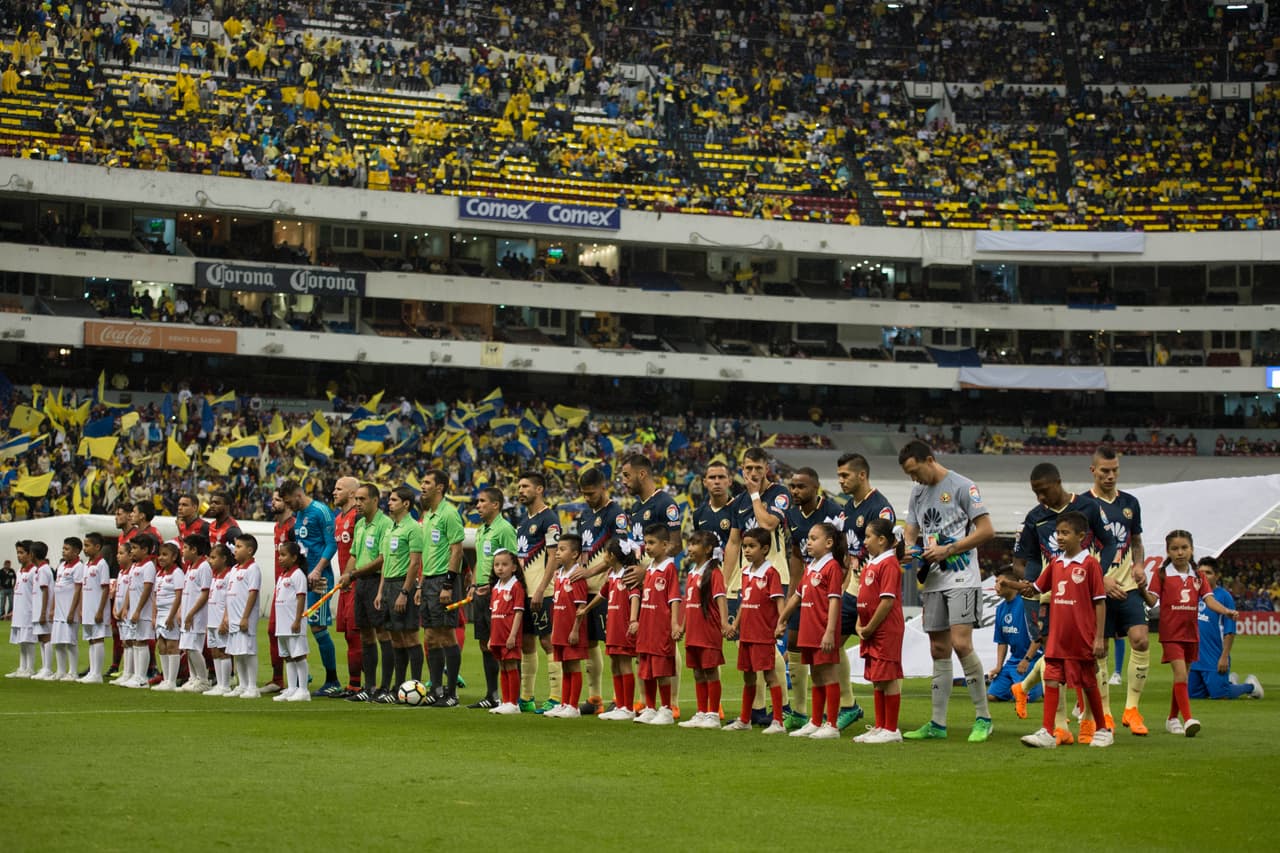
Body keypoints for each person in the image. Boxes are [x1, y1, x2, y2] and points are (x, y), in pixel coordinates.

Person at [1009, 461, 1115, 744]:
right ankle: (1048, 730)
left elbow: (1100, 602)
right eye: (1058, 533)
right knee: (1052, 678)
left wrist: (1099, 638)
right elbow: (1035, 589)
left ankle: (1103, 729)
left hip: (1082, 635)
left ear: (1082, 536)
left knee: (1089, 681)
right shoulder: (1055, 563)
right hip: (1057, 633)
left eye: (1065, 533)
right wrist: (1013, 585)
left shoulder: (1091, 565)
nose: (1059, 538)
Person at [898, 440, 996, 743]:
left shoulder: (964, 487)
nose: (915, 480)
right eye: (910, 475)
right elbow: (911, 530)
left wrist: (948, 549)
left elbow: (986, 530)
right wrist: (908, 549)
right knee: (938, 649)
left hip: (962, 577)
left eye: (916, 472)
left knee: (960, 643)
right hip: (933, 580)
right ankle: (937, 724)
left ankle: (983, 718)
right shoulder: (917, 492)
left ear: (930, 459)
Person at [1137, 530, 1239, 737]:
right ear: (1168, 552)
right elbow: (1152, 601)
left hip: (1191, 634)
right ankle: (1188, 718)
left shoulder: (1199, 576)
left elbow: (1209, 601)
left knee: (1180, 678)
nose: (1180, 552)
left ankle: (1172, 718)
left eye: (1184, 548)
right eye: (1175, 549)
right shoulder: (1162, 574)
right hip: (1171, 633)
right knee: (1181, 675)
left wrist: (1226, 611)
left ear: (1192, 549)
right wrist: (1141, 589)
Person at [1082, 447, 1151, 736]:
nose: (1110, 476)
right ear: (1093, 470)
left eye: (1114, 470)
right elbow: (1078, 548)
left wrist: (1139, 565)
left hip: (1129, 587)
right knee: (1100, 650)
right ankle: (1105, 714)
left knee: (1141, 641)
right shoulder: (1082, 505)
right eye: (1104, 471)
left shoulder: (1130, 503)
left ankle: (1132, 709)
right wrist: (1101, 579)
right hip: (1097, 590)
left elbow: (1136, 541)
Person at [721, 448, 790, 727]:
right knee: (748, 650)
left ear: (766, 469)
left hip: (774, 576)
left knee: (770, 648)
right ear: (742, 469)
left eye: (758, 468)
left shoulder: (779, 494)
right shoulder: (738, 502)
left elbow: (768, 523)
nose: (753, 473)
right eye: (748, 468)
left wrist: (754, 495)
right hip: (746, 579)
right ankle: (755, 712)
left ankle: (782, 709)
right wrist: (724, 583)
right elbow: (733, 543)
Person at [787, 466, 858, 732]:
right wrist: (794, 590)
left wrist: (841, 584)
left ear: (815, 488)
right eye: (792, 486)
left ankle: (839, 713)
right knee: (807, 657)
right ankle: (809, 717)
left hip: (826, 592)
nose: (795, 491)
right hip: (807, 587)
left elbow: (845, 555)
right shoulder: (792, 515)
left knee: (829, 655)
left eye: (801, 486)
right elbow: (796, 553)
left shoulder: (834, 513)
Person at [622, 453, 684, 716]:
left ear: (642, 474)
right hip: (641, 580)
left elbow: (677, 544)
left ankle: (673, 703)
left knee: (665, 642)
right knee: (644, 641)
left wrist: (646, 569)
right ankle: (646, 702)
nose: (623, 481)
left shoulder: (665, 504)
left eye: (626, 475)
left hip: (660, 579)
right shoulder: (636, 508)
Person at [835, 452, 892, 727]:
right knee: (830, 644)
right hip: (853, 588)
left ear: (862, 475)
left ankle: (885, 723)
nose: (841, 480)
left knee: (882, 656)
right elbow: (848, 552)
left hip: (874, 590)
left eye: (845, 475)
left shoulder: (880, 508)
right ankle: (849, 705)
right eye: (839, 476)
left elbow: (892, 553)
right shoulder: (848, 507)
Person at [566, 466, 629, 714]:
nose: (587, 498)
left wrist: (589, 572)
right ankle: (594, 698)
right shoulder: (585, 516)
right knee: (589, 642)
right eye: (584, 494)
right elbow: (585, 551)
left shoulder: (617, 514)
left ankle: (618, 698)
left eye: (591, 493)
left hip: (609, 589)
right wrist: (580, 570)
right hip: (588, 589)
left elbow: (619, 553)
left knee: (612, 645)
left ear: (604, 488)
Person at [776, 522, 845, 740]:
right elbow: (797, 596)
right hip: (808, 628)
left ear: (828, 543)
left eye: (814, 538)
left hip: (823, 629)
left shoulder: (832, 567)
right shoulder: (811, 567)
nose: (809, 542)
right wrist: (782, 619)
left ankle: (832, 724)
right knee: (815, 674)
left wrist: (830, 631)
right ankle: (815, 721)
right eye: (808, 538)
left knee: (828, 673)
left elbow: (834, 600)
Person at [722, 527, 786, 733]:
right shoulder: (746, 572)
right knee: (748, 677)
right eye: (745, 547)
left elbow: (778, 600)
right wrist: (735, 625)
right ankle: (745, 719)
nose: (747, 551)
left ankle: (778, 721)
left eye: (752, 546)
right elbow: (744, 602)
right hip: (747, 633)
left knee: (769, 676)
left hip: (762, 634)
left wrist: (781, 623)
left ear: (765, 548)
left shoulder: (770, 573)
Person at [280, 479, 340, 697]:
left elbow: (331, 543)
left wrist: (317, 570)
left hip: (320, 579)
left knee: (318, 629)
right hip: (305, 578)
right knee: (298, 629)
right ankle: (300, 679)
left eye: (289, 501)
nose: (289, 506)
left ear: (298, 495)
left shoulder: (320, 511)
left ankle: (333, 680)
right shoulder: (299, 517)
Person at [853, 517, 907, 744]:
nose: (864, 541)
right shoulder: (872, 563)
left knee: (888, 677)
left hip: (885, 629)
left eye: (868, 537)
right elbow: (864, 598)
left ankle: (891, 729)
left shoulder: (890, 564)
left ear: (883, 540)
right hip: (870, 629)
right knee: (877, 678)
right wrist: (859, 623)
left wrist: (870, 626)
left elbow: (886, 602)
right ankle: (879, 726)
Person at [417, 468, 466, 707]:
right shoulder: (428, 515)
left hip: (443, 581)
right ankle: (436, 689)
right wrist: (420, 585)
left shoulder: (449, 514)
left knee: (446, 634)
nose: (422, 486)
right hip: (428, 580)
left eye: (427, 482)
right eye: (422, 482)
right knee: (429, 636)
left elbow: (457, 550)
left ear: (440, 487)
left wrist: (448, 583)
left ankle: (451, 693)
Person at [342, 484, 395, 703]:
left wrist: (352, 574)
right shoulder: (361, 524)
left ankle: (385, 686)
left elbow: (382, 559)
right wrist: (347, 575)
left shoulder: (385, 524)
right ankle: (369, 686)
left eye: (362, 499)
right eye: (356, 499)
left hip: (376, 581)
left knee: (383, 633)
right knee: (365, 634)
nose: (357, 504)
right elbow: (354, 553)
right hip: (360, 583)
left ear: (375, 500)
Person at [516, 471, 563, 713]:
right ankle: (526, 697)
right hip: (525, 592)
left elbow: (554, 558)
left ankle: (556, 697)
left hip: (542, 592)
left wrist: (542, 588)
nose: (521, 490)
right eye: (519, 486)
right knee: (526, 642)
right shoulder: (523, 522)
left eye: (525, 486)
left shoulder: (549, 519)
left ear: (539, 489)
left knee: (547, 641)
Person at [468, 486, 517, 709]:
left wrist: (495, 586)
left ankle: (509, 695)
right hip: (480, 591)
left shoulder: (504, 529)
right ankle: (491, 694)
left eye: (482, 501)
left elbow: (511, 563)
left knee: (502, 644)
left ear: (495, 505)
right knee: (484, 643)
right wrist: (474, 583)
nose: (478, 505)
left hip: (498, 595)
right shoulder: (482, 530)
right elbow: (481, 560)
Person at [375, 485, 424, 703]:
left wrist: (405, 591)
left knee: (410, 635)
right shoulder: (390, 529)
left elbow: (414, 563)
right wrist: (380, 592)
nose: (389, 503)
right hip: (388, 587)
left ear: (406, 503)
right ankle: (398, 686)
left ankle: (416, 686)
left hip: (403, 585)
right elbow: (385, 563)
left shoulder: (413, 528)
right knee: (395, 637)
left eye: (394, 499)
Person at [1190, 557, 1263, 700]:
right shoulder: (1192, 594)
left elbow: (1230, 631)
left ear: (1217, 575)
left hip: (1214, 658)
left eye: (1208, 573)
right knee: (1193, 695)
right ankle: (1228, 682)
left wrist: (1224, 657)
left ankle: (1251, 686)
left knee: (1220, 695)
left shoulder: (1224, 597)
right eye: (1201, 572)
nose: (1203, 576)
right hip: (1195, 659)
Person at [677, 530, 728, 730]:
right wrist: (682, 626)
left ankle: (713, 714)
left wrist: (724, 623)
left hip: (708, 629)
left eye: (695, 544)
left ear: (707, 550)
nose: (689, 548)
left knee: (710, 671)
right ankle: (700, 712)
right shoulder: (692, 572)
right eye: (689, 544)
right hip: (694, 631)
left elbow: (720, 598)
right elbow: (689, 603)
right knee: (698, 672)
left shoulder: (714, 573)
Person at [634, 523, 681, 725]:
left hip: (661, 627)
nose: (648, 547)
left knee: (662, 670)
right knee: (647, 669)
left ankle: (667, 709)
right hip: (647, 626)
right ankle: (650, 708)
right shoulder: (650, 569)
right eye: (646, 543)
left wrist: (674, 624)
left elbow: (674, 599)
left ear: (665, 545)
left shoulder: (669, 568)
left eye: (652, 543)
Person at [593, 540, 641, 721]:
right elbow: (602, 594)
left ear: (611, 556)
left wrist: (633, 619)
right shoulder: (612, 574)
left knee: (624, 662)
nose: (603, 557)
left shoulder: (628, 574)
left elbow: (635, 596)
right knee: (614, 662)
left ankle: (628, 707)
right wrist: (586, 609)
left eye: (605, 553)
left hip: (623, 623)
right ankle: (619, 704)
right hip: (612, 624)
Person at [545, 534, 589, 718]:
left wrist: (575, 629)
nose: (557, 553)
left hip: (572, 630)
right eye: (558, 549)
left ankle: (573, 706)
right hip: (560, 629)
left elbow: (581, 606)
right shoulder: (559, 575)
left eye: (562, 550)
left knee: (573, 666)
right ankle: (564, 703)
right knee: (564, 666)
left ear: (575, 554)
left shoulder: (577, 576)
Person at [987, 569, 1044, 707]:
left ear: (1011, 584)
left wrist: (1026, 660)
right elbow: (1001, 641)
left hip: (1032, 659)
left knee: (1025, 697)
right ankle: (1017, 687)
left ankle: (1041, 683)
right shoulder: (1000, 608)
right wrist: (998, 666)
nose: (996, 586)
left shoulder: (1026, 604)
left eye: (999, 583)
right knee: (992, 696)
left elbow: (1039, 636)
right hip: (1013, 661)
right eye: (995, 582)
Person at [330, 475, 363, 697]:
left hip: (357, 582)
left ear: (352, 493)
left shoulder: (357, 517)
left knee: (356, 635)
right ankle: (352, 684)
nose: (334, 492)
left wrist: (351, 575)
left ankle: (358, 685)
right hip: (345, 583)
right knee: (347, 635)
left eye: (339, 488)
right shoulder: (338, 518)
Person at [223, 534, 263, 699]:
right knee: (237, 651)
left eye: (239, 546)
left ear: (250, 550)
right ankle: (242, 684)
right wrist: (226, 615)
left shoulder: (253, 569)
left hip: (244, 617)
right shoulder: (234, 569)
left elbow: (252, 593)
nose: (235, 550)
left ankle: (253, 687)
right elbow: (228, 594)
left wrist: (245, 617)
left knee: (248, 650)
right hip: (233, 617)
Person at [486, 549, 525, 715]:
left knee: (510, 665)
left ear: (514, 567)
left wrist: (513, 635)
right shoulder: (495, 588)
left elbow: (518, 612)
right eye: (497, 565)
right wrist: (490, 637)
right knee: (502, 665)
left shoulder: (516, 587)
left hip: (509, 635)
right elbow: (493, 614)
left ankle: (513, 703)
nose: (500, 568)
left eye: (504, 564)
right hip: (497, 634)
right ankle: (505, 700)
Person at [264, 489, 294, 694]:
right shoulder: (277, 526)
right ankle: (279, 679)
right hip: (279, 584)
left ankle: (292, 679)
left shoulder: (294, 526)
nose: (273, 503)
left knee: (289, 634)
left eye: (278, 500)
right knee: (273, 631)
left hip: (291, 585)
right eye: (272, 499)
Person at [273, 541, 311, 702]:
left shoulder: (298, 575)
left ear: (294, 557)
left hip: (293, 623)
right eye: (279, 555)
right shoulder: (283, 575)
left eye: (283, 555)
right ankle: (292, 688)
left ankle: (303, 690)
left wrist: (298, 619)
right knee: (287, 656)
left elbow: (301, 597)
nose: (280, 558)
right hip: (282, 624)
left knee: (298, 655)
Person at [177, 534, 213, 693]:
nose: (182, 551)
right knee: (187, 646)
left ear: (194, 549)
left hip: (196, 615)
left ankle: (203, 680)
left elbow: (205, 593)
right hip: (187, 613)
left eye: (185, 548)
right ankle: (194, 678)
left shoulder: (204, 566)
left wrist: (191, 613)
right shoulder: (191, 566)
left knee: (193, 647)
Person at [121, 535, 157, 689]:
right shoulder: (135, 566)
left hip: (143, 611)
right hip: (133, 610)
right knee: (135, 641)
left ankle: (142, 678)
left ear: (145, 550)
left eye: (135, 548)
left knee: (142, 641)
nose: (132, 552)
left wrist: (138, 610)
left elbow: (147, 589)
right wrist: (126, 607)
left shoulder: (148, 566)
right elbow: (131, 587)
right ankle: (136, 675)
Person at [150, 542, 187, 692]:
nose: (161, 558)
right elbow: (155, 596)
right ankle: (165, 678)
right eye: (160, 554)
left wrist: (172, 615)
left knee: (172, 646)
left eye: (165, 555)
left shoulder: (177, 573)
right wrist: (154, 615)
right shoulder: (159, 573)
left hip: (170, 613)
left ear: (174, 557)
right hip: (160, 614)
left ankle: (172, 680)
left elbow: (179, 596)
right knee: (162, 645)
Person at [77, 533, 111, 684]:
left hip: (98, 608)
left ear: (97, 547)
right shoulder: (87, 565)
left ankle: (97, 673)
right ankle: (92, 671)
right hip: (88, 608)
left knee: (98, 639)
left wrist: (100, 610)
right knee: (91, 640)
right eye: (84, 545)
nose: (85, 549)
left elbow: (105, 589)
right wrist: (82, 608)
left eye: (87, 545)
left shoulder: (101, 564)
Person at [50, 537, 84, 682]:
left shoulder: (78, 567)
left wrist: (72, 611)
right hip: (59, 609)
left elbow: (78, 590)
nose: (63, 551)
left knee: (70, 641)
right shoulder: (62, 566)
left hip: (70, 610)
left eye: (67, 549)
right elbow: (56, 587)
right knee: (58, 641)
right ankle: (60, 670)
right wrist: (52, 608)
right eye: (63, 548)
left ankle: (73, 671)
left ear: (76, 551)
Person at [203, 544, 233, 696]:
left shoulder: (228, 576)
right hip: (211, 619)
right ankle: (219, 684)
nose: (210, 561)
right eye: (210, 557)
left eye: (214, 558)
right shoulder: (214, 576)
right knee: (214, 651)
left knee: (223, 652)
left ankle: (226, 685)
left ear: (224, 559)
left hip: (221, 620)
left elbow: (229, 600)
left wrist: (225, 619)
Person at [5, 542, 38, 678]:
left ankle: (30, 668)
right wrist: (13, 610)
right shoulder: (19, 571)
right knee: (21, 641)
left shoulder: (33, 571)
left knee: (28, 641)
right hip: (19, 611)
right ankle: (22, 667)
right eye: (17, 552)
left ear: (30, 554)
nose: (19, 556)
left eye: (22, 553)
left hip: (28, 611)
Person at [108, 542, 136, 687]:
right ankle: (126, 672)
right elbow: (118, 593)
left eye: (121, 553)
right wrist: (114, 609)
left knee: (130, 641)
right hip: (119, 611)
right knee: (125, 642)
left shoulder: (132, 571)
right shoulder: (120, 572)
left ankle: (131, 673)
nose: (118, 556)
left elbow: (131, 592)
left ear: (130, 555)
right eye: (118, 553)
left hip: (127, 611)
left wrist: (125, 608)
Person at [28, 542, 54, 681]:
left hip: (43, 610)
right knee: (41, 638)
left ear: (33, 554)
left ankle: (48, 668)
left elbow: (45, 592)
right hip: (38, 609)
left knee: (46, 638)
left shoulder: (44, 569)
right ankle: (44, 667)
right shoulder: (39, 569)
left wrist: (44, 612)